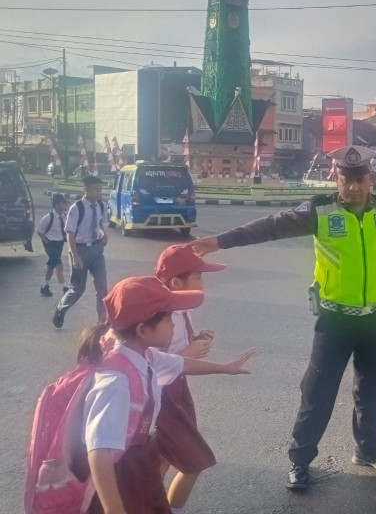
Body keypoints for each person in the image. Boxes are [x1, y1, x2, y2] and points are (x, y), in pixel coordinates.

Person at [191, 145, 376, 491]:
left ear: (371, 178)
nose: (353, 186)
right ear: (335, 177)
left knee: (373, 390)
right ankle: (299, 460)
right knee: (318, 392)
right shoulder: (319, 209)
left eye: (359, 179)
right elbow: (269, 227)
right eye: (346, 179)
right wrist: (219, 241)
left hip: (374, 319)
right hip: (335, 319)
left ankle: (368, 449)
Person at [81, 276, 255, 514]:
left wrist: (226, 368)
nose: (174, 324)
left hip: (143, 459)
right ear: (143, 329)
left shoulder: (146, 355)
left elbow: (183, 364)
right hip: (122, 472)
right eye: (168, 319)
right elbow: (99, 454)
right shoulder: (115, 382)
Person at [153, 244, 228, 514]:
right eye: (197, 277)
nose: (202, 283)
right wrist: (188, 353)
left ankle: (153, 503)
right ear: (175, 282)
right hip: (160, 398)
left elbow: (177, 348)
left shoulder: (182, 306)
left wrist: (195, 341)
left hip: (178, 389)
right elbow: (147, 369)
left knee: (163, 458)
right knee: (194, 461)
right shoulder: (158, 316)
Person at [54, 176, 109, 329]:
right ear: (86, 189)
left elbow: (99, 223)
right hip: (80, 250)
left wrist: (104, 233)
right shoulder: (76, 208)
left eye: (100, 189)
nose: (99, 192)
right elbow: (69, 234)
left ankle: (101, 323)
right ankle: (60, 308)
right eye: (96, 189)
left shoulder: (100, 205)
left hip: (97, 249)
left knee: (102, 288)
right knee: (78, 289)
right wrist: (75, 256)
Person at [36, 193, 70, 297]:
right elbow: (39, 231)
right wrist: (46, 241)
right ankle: (65, 288)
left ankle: (45, 287)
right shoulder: (48, 217)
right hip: (50, 243)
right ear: (56, 205)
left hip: (59, 243)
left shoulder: (64, 217)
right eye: (62, 203)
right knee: (59, 265)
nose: (65, 205)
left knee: (51, 266)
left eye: (65, 203)